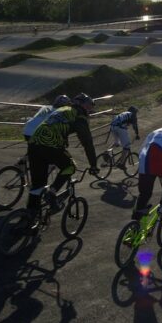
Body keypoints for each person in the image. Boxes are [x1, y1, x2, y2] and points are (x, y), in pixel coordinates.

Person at [24, 92, 99, 227]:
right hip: (50, 144)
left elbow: (57, 128)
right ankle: (52, 193)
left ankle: (31, 214)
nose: (90, 109)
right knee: (70, 166)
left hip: (34, 144)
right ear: (81, 105)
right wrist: (93, 165)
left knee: (38, 184)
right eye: (89, 105)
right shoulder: (79, 115)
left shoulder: (62, 110)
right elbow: (87, 143)